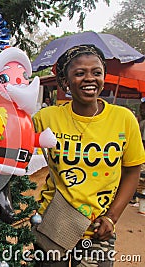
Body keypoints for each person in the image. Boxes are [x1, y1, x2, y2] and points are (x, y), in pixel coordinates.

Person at [32, 44, 145, 266]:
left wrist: (112, 218)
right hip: (53, 225)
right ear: (65, 81)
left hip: (97, 231)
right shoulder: (47, 118)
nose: (89, 79)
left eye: (96, 72)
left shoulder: (124, 119)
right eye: (80, 73)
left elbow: (132, 170)